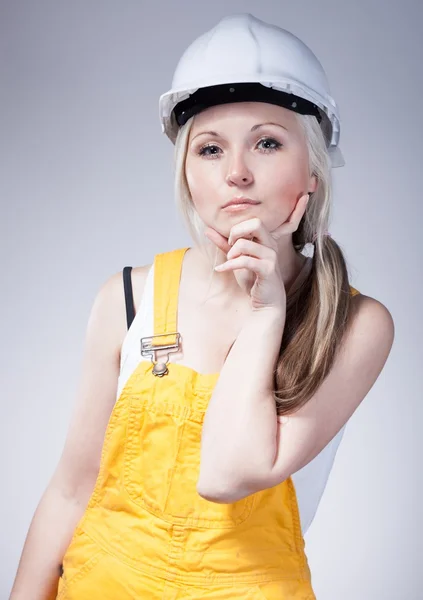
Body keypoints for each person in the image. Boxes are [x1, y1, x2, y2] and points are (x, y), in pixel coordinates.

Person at [10, 12, 395, 600]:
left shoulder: (353, 325)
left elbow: (226, 474)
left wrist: (267, 313)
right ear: (187, 175)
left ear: (312, 169)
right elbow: (70, 488)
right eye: (210, 149)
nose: (236, 173)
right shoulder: (127, 300)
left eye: (267, 143)